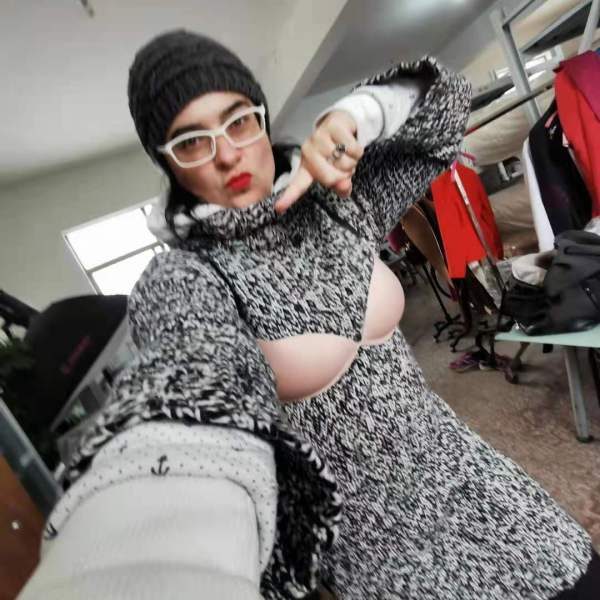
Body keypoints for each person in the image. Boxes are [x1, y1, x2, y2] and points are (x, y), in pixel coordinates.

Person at [21, 30, 599, 600]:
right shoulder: (184, 278)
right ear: (168, 163)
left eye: (238, 121)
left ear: (261, 118)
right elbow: (190, 390)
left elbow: (445, 113)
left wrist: (359, 114)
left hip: (477, 481)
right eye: (191, 141)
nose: (227, 153)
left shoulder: (338, 202)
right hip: (383, 556)